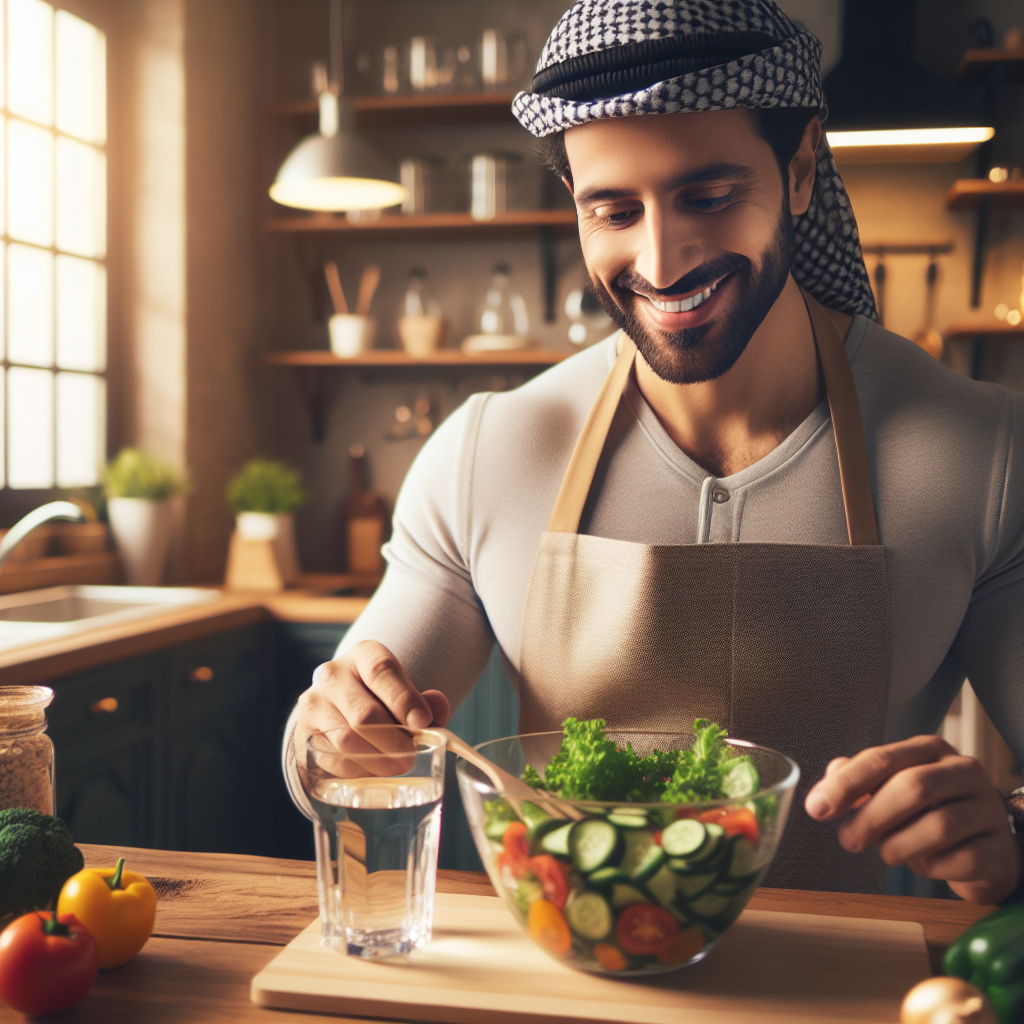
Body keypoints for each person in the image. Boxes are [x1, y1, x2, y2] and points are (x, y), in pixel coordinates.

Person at [285, 0, 1023, 902]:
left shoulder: (984, 455)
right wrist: (330, 732)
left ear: (798, 171)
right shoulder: (492, 451)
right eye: (615, 210)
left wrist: (1008, 831)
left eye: (707, 197)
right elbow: (340, 747)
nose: (663, 259)